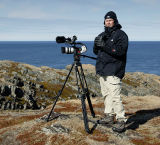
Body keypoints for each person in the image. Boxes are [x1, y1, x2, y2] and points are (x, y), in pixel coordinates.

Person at [93, 11, 128, 133]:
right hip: (103, 70)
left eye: (110, 20)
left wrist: (104, 46)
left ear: (115, 21)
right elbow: (96, 52)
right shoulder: (102, 34)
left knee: (115, 97)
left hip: (114, 70)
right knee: (106, 95)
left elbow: (120, 52)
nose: (108, 22)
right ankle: (109, 116)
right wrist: (96, 45)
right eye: (106, 20)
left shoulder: (121, 35)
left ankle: (121, 120)